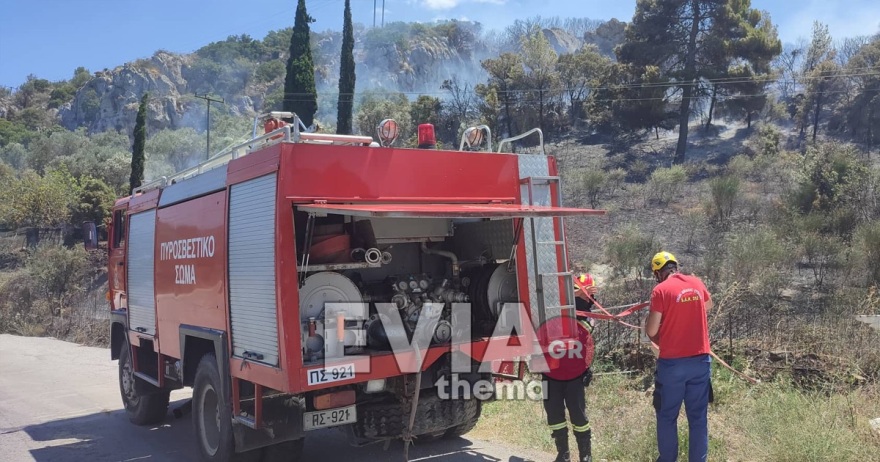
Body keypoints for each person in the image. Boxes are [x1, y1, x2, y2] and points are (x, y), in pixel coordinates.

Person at [645, 252, 713, 462]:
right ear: (675, 266)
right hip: (700, 362)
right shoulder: (696, 282)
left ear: (658, 272)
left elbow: (651, 330)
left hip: (673, 365)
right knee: (698, 419)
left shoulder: (660, 290)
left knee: (667, 417)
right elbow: (707, 306)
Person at [542, 272, 597, 462]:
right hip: (551, 373)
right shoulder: (558, 310)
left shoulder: (587, 317)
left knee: (578, 417)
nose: (586, 300)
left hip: (574, 375)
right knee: (554, 416)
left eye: (586, 296)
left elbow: (580, 333)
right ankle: (563, 454)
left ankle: (585, 455)